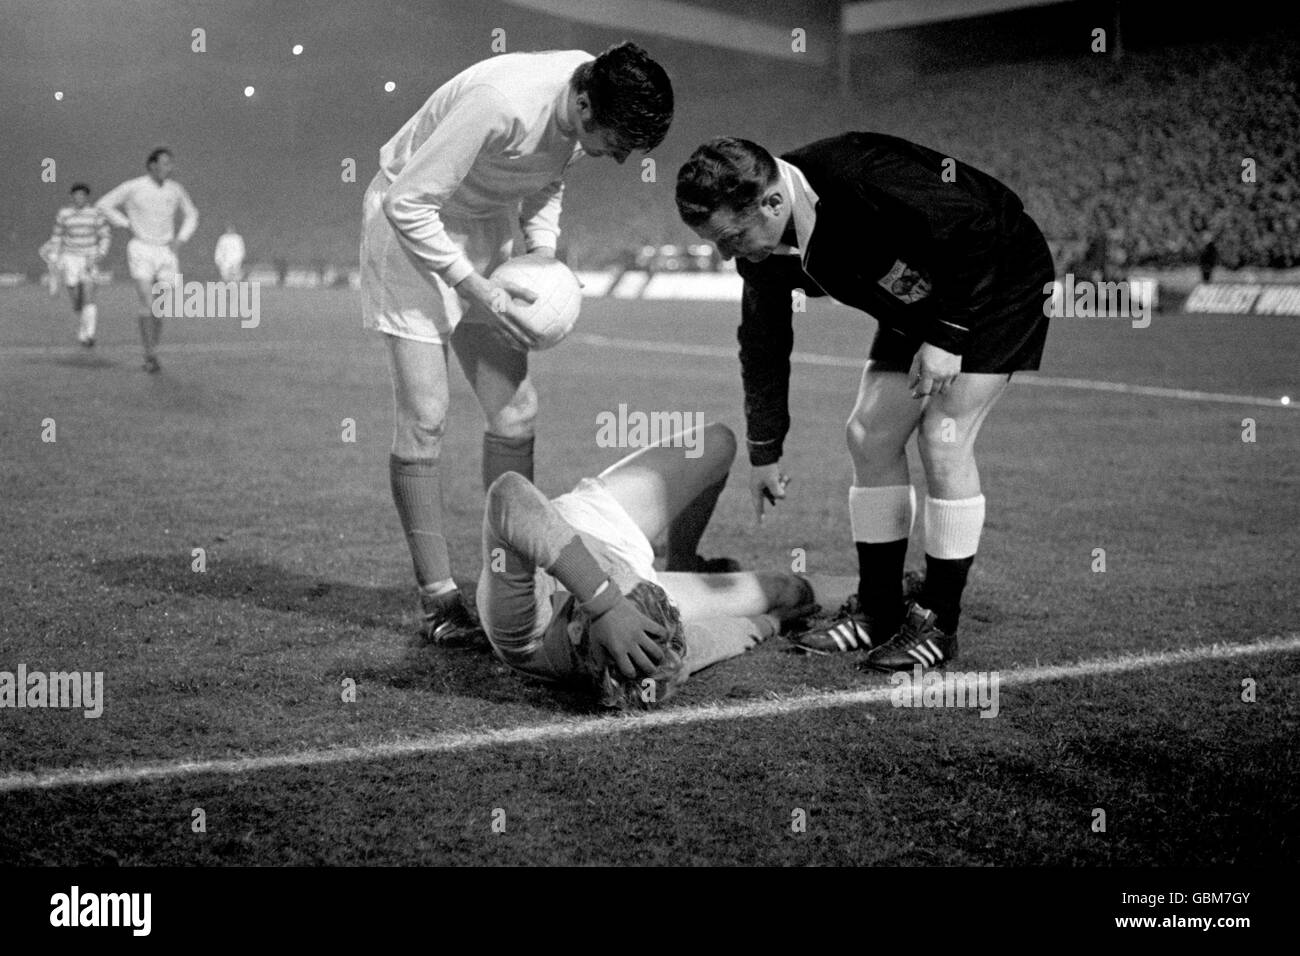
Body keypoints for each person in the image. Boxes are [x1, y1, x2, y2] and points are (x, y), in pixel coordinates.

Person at [675, 133, 1054, 672]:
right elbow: (763, 342)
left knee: (943, 437)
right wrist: (765, 449)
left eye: (732, 236)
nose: (727, 253)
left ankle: (938, 621)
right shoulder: (763, 247)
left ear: (773, 202)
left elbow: (977, 225)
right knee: (868, 434)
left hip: (998, 276)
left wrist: (948, 335)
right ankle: (879, 609)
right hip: (916, 294)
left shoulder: (858, 174)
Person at [361, 43, 673, 646]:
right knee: (425, 417)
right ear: (582, 103)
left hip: (485, 226)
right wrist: (474, 288)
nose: (616, 158)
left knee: (516, 412)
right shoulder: (498, 103)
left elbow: (545, 183)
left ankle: (510, 574)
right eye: (614, 141)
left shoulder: (593, 86)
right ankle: (439, 601)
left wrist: (543, 256)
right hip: (409, 231)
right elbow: (408, 202)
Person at [477, 422, 852, 707]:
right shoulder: (657, 654)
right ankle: (894, 587)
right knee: (785, 591)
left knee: (716, 442)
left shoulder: (523, 630)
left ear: (578, 630)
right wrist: (770, 622)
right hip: (631, 562)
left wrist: (606, 600)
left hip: (591, 520)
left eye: (627, 596)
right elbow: (710, 641)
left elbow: (509, 495)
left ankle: (684, 556)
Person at [97, 148, 199, 373]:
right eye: (163, 163)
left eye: (170, 164)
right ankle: (149, 355)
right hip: (141, 249)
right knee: (146, 300)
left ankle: (153, 350)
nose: (168, 168)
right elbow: (104, 204)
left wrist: (181, 239)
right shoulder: (133, 187)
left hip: (166, 251)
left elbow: (192, 214)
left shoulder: (176, 189)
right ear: (151, 165)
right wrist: (124, 223)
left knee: (160, 308)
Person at [47, 183, 110, 346]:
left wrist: (99, 254)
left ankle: (89, 334)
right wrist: (54, 256)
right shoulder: (64, 214)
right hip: (70, 259)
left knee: (89, 297)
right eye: (76, 195)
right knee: (77, 302)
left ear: (86, 197)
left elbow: (105, 236)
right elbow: (57, 236)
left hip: (89, 258)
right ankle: (83, 328)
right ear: (72, 197)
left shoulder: (96, 214)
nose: (79, 198)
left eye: (82, 195)